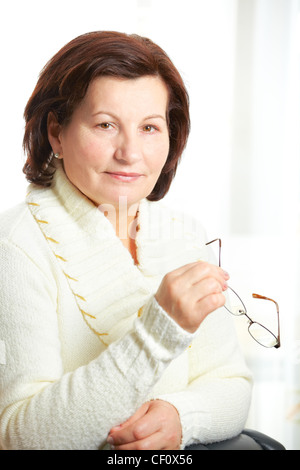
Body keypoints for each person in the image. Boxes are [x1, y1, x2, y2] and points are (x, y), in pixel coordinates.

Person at [0, 31, 252, 450]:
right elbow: (18, 436)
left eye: (150, 127)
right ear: (57, 133)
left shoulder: (184, 233)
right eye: (105, 125)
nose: (130, 152)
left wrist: (181, 417)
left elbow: (231, 385)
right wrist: (158, 333)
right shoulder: (16, 247)